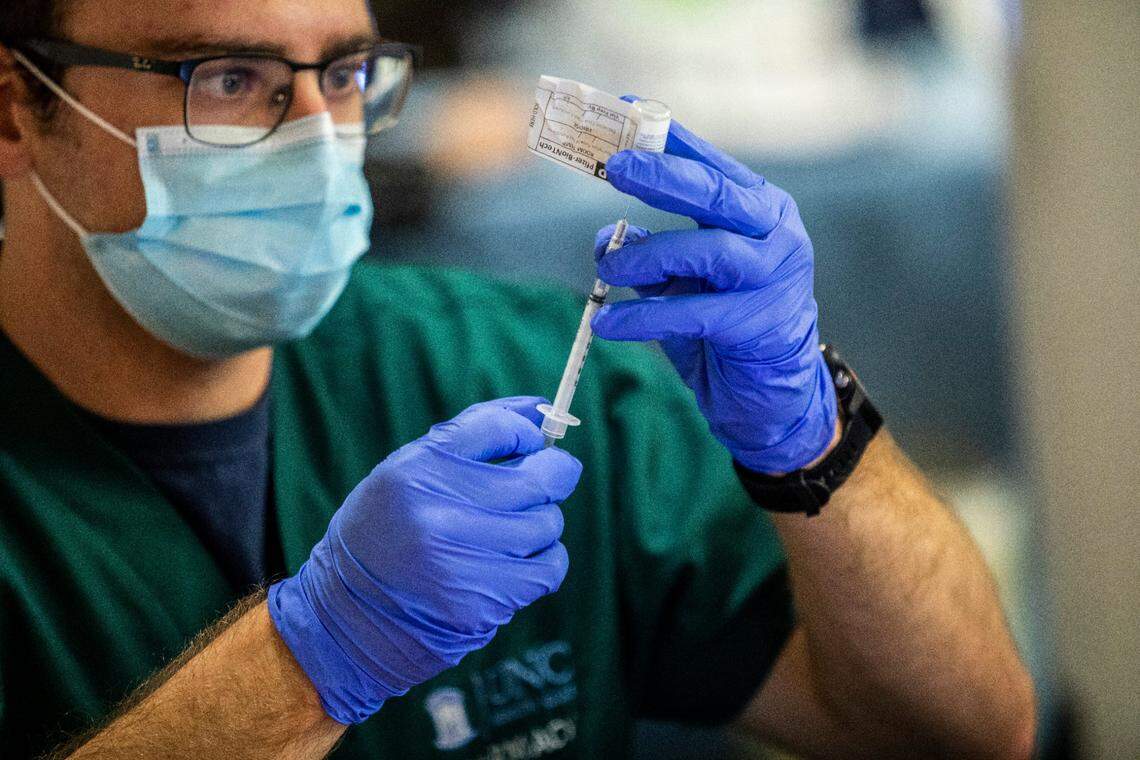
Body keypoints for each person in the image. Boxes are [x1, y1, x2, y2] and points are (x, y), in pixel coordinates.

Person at [0, 1, 1035, 758]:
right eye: (227, 79)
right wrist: (311, 657)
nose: (319, 141)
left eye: (349, 76)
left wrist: (818, 440)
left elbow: (968, 730)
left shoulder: (522, 372)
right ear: (14, 109)